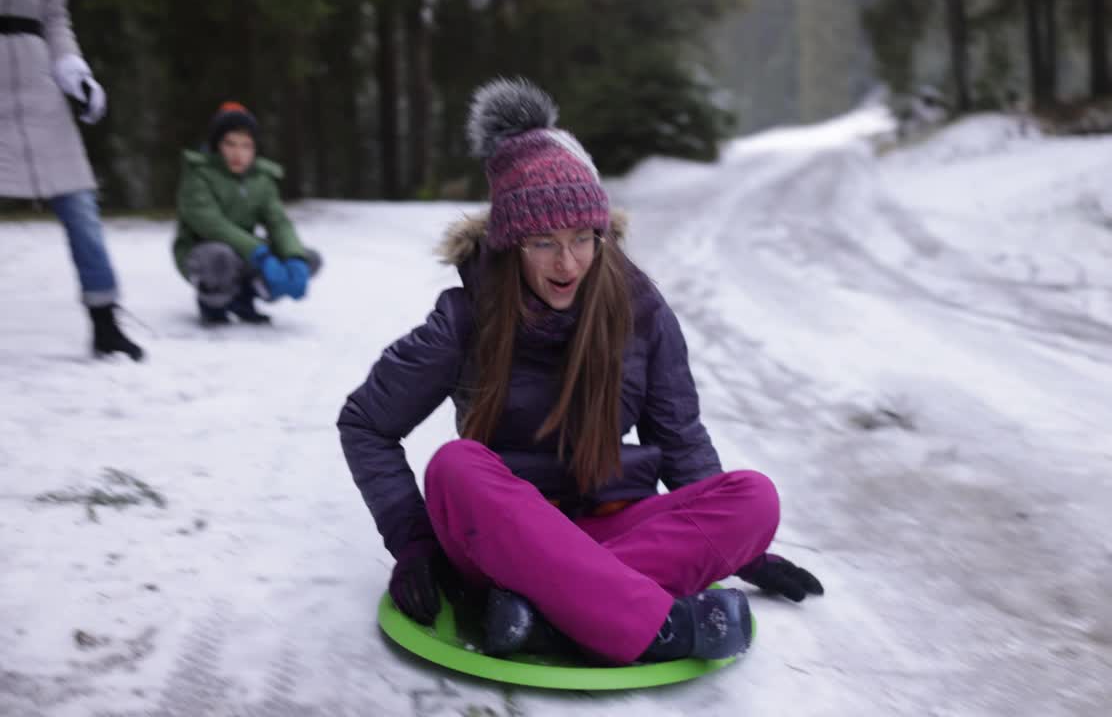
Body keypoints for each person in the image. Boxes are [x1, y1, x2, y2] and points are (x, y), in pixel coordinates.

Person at [338, 78, 823, 666]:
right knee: (455, 467)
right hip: (502, 539)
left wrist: (746, 552)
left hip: (612, 525)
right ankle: (658, 626)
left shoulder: (640, 312)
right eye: (543, 243)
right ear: (513, 243)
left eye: (581, 239)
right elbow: (366, 422)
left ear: (601, 234)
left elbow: (679, 438)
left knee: (754, 499)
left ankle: (541, 615)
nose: (567, 263)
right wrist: (415, 545)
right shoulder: (466, 317)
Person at [1, 0, 143, 360]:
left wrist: (74, 73)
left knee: (81, 208)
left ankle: (105, 324)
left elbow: (55, 20)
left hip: (40, 92)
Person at [172, 102, 321, 325]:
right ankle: (213, 303)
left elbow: (278, 221)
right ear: (217, 145)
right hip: (203, 252)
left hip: (247, 253)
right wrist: (259, 252)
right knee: (220, 257)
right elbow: (212, 225)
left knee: (308, 258)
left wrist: (293, 257)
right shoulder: (198, 175)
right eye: (230, 144)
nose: (238, 153)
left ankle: (245, 297)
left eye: (246, 145)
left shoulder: (261, 179)